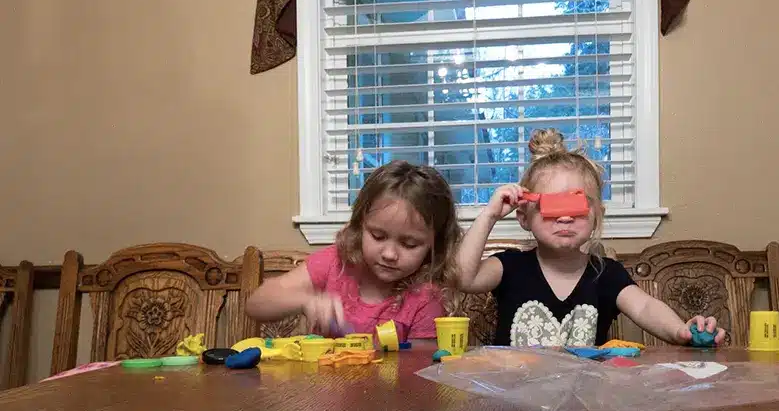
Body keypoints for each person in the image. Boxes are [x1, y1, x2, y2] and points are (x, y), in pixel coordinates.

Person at [456, 128, 726, 347]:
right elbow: (463, 278)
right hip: (515, 400)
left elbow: (645, 308)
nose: (564, 217)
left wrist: (681, 330)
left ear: (597, 214)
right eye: (552, 208)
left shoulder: (606, 274)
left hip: (583, 399)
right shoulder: (508, 266)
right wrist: (489, 215)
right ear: (524, 217)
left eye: (576, 206)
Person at [246, 161, 461, 341]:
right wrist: (305, 300)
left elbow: (420, 372)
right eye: (377, 236)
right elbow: (256, 304)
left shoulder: (427, 296)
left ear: (435, 244)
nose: (389, 254)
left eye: (409, 244)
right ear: (360, 225)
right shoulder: (335, 263)